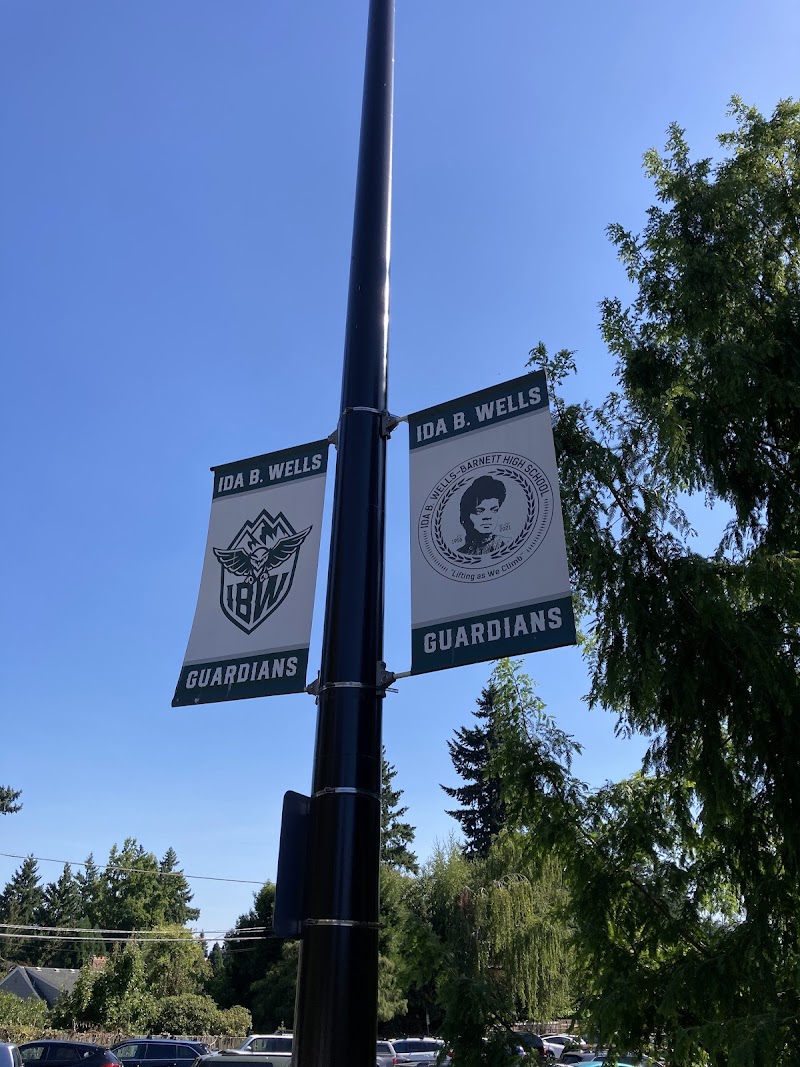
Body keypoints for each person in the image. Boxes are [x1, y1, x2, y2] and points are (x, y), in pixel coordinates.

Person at [457, 474, 507, 555]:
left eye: (494, 510)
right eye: (479, 511)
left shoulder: (504, 545)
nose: (487, 517)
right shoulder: (461, 553)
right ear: (466, 515)